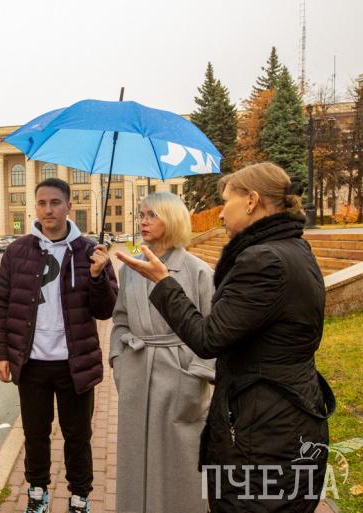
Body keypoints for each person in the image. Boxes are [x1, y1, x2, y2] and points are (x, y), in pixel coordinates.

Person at [116, 163, 336, 513]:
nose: (220, 214)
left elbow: (209, 338)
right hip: (282, 411)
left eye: (226, 201)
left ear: (251, 201)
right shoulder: (292, 248)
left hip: (265, 425)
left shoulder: (263, 260)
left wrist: (163, 283)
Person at [0, 177, 118, 513]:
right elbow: (1, 303)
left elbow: (106, 310)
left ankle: (80, 497)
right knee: (35, 434)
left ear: (69, 206)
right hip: (31, 363)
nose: (48, 210)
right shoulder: (17, 251)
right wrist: (0, 353)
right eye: (42, 203)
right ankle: (37, 494)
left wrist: (98, 276)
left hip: (75, 363)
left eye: (55, 203)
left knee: (78, 436)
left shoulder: (90, 252)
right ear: (35, 207)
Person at [109, 192, 214, 513]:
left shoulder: (198, 271)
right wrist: (120, 361)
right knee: (135, 458)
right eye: (141, 214)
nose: (143, 221)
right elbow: (120, 319)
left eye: (152, 215)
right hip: (136, 374)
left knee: (179, 461)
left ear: (172, 219)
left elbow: (213, 332)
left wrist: (195, 380)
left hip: (179, 377)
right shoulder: (130, 269)